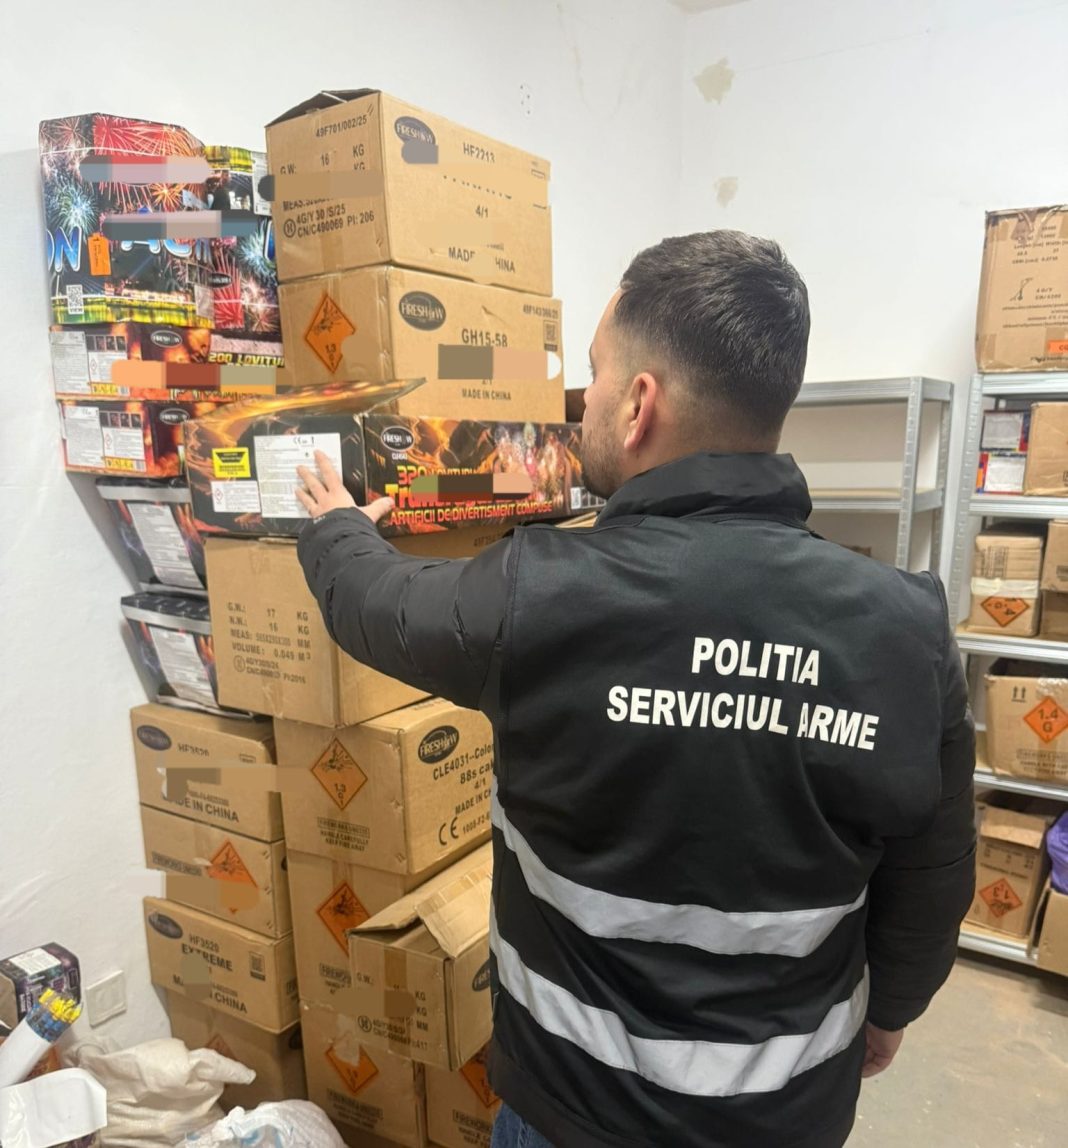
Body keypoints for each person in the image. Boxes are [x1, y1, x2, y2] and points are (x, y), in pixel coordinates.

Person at [294, 230, 976, 1148]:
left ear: (638, 405)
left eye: (594, 373)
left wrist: (337, 526)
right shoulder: (908, 628)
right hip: (786, 1116)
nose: (584, 401)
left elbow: (377, 606)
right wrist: (889, 1009)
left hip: (571, 1114)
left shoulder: (538, 594)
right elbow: (932, 874)